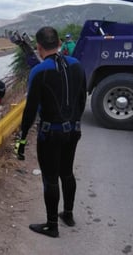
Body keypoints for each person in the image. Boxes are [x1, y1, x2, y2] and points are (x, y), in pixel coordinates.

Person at [15, 26, 87, 238]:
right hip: (73, 131)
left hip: (50, 134)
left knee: (50, 178)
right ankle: (69, 214)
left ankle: (52, 225)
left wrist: (22, 139)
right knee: (67, 172)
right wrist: (74, 121)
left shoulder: (39, 71)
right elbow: (82, 99)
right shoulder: (77, 65)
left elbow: (30, 110)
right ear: (59, 43)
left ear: (38, 47)